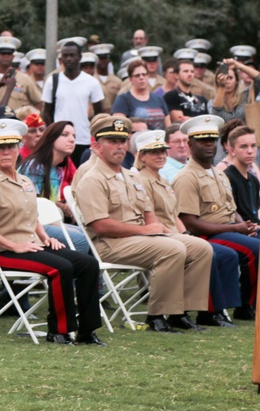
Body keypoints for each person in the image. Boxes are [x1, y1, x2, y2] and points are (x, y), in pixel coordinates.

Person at [74, 115, 213, 333]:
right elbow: (101, 226)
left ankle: (181, 312)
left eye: (123, 141)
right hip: (110, 243)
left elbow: (149, 213)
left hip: (141, 238)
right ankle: (157, 316)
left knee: (201, 248)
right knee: (173, 250)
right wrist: (147, 231)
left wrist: (156, 230)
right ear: (97, 146)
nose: (119, 146)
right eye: (112, 141)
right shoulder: (92, 179)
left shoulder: (131, 176)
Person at [0, 119, 104, 345]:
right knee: (61, 268)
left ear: (18, 148)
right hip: (6, 253)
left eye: (11, 146)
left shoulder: (24, 181)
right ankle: (59, 331)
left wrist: (46, 237)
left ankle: (87, 330)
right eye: (0, 147)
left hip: (32, 247)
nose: (6, 152)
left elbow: (31, 217)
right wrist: (14, 246)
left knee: (88, 264)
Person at [133, 129, 240, 328]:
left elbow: (174, 215)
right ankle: (188, 312)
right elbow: (150, 218)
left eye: (163, 151)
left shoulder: (161, 179)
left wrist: (186, 235)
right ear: (142, 156)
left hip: (173, 233)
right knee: (212, 253)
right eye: (154, 152)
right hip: (159, 235)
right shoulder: (141, 180)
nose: (161, 156)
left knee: (212, 251)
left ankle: (188, 311)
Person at [173, 116, 260, 320]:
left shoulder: (218, 174)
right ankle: (244, 305)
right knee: (255, 249)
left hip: (228, 229)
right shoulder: (187, 177)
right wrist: (234, 229)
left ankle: (256, 302)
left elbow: (231, 209)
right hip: (205, 235)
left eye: (212, 140)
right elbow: (189, 222)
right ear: (190, 144)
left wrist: (243, 224)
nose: (209, 145)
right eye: (203, 140)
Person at [18, 121, 89, 251]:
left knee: (90, 235)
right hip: (28, 223)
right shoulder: (35, 166)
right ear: (51, 138)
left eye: (74, 136)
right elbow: (32, 204)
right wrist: (58, 224)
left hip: (46, 221)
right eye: (65, 135)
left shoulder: (58, 170)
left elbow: (50, 202)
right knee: (80, 239)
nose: (72, 140)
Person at [41, 41, 106, 165]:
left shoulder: (91, 82)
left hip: (83, 139)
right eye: (65, 56)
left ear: (80, 56)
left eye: (72, 55)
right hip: (59, 141)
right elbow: (46, 112)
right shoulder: (53, 81)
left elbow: (99, 114)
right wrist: (54, 134)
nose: (69, 59)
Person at [112, 59, 171, 131]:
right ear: (130, 79)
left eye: (144, 74)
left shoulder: (158, 99)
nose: (141, 78)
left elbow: (168, 126)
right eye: (137, 75)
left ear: (148, 76)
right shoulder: (123, 99)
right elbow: (118, 127)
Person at [222, 125, 260, 224]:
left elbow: (255, 214)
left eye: (253, 146)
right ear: (232, 151)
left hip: (256, 227)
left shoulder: (254, 180)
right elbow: (230, 215)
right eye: (244, 146)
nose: (250, 151)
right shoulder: (227, 177)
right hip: (239, 230)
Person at [210, 58, 260, 129]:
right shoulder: (213, 102)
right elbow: (216, 114)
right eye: (224, 78)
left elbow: (259, 79)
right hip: (224, 139)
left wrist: (238, 65)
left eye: (230, 78)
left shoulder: (245, 95)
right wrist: (222, 86)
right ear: (218, 81)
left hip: (245, 137)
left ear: (237, 80)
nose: (227, 81)